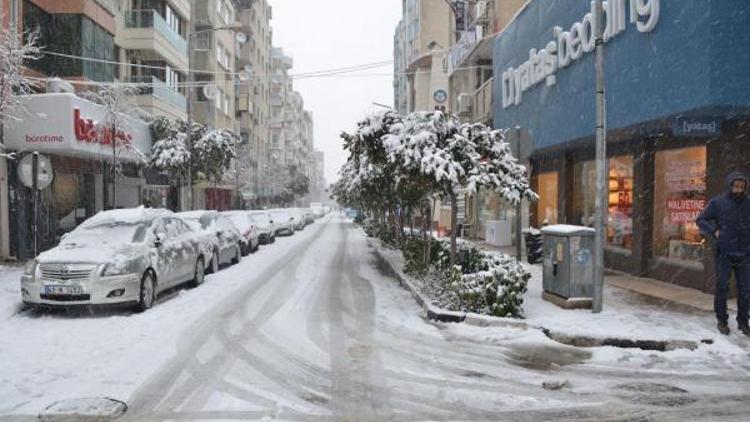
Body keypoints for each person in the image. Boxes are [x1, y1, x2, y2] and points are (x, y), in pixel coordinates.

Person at [696, 171, 750, 336]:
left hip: (745, 254)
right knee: (722, 288)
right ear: (730, 185)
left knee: (745, 290)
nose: (738, 189)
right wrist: (714, 231)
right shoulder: (718, 203)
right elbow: (701, 219)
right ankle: (722, 320)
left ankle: (743, 322)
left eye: (741, 187)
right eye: (736, 186)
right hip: (724, 253)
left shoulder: (748, 203)